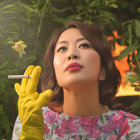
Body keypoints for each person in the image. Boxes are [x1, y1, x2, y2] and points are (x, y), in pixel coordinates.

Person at [12, 21, 140, 140]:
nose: (71, 54)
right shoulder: (31, 120)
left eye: (84, 45)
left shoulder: (130, 129)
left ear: (103, 70)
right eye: (62, 49)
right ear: (55, 71)